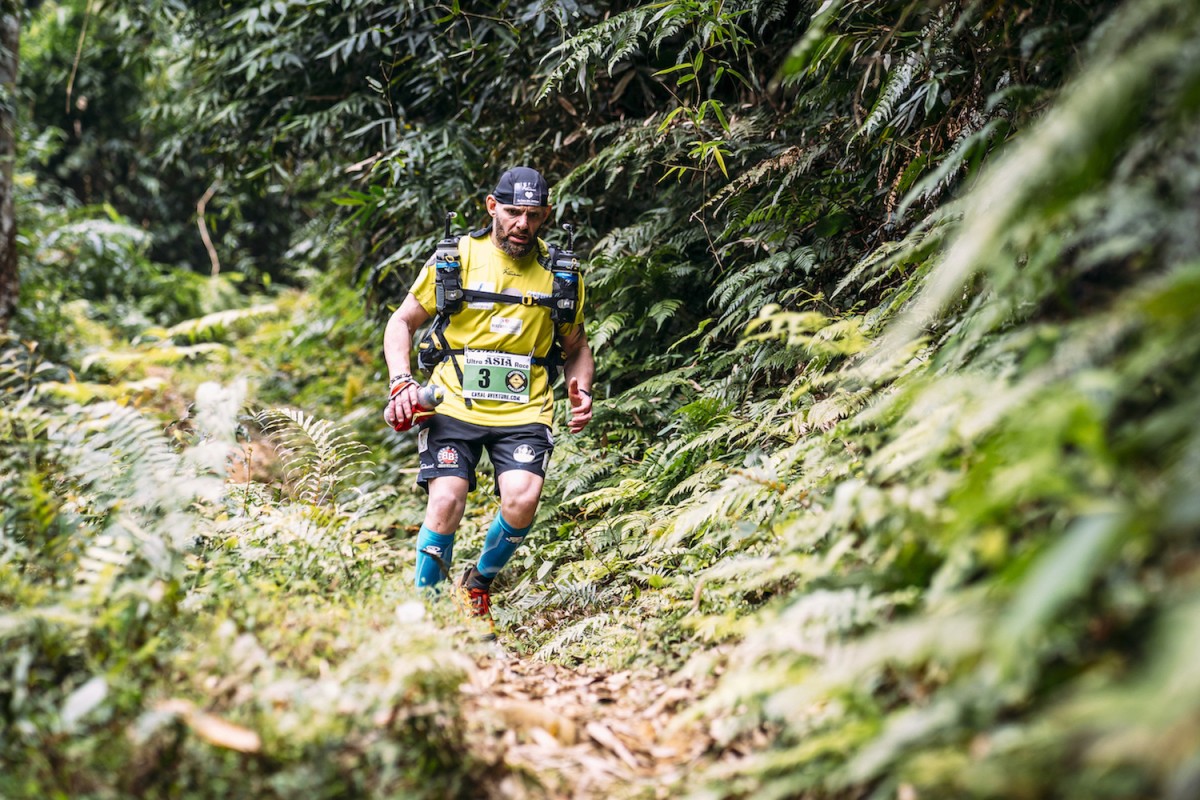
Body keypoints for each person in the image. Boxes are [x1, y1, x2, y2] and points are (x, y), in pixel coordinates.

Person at [382, 166, 594, 633]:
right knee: (446, 500)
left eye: (533, 215)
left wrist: (581, 388)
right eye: (514, 212)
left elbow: (577, 346)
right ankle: (428, 615)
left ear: (546, 216)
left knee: (523, 499)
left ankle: (476, 584)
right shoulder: (456, 258)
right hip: (452, 401)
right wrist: (401, 381)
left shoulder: (561, 274)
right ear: (492, 207)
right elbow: (401, 322)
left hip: (525, 407)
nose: (523, 224)